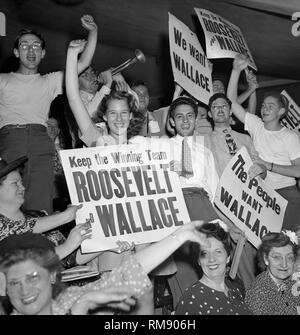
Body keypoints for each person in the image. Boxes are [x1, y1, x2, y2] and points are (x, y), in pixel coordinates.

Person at [0, 220, 209, 315]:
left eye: (33, 277)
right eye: (14, 282)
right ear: (4, 288)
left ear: (52, 276)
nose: (24, 290)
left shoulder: (70, 299)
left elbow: (131, 270)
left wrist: (179, 236)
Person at [0, 15, 98, 214]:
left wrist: (93, 31)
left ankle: (41, 244)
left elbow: (84, 62)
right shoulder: (2, 80)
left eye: (36, 46)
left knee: (40, 203)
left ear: (43, 53)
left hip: (40, 141)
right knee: (9, 202)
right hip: (11, 140)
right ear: (16, 52)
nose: (31, 49)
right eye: (25, 45)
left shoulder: (50, 81)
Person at [227, 54, 300, 232]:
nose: (265, 108)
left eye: (271, 106)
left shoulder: (290, 136)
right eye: (264, 105)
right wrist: (236, 71)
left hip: (286, 194)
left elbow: (298, 170)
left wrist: (268, 165)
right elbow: (231, 101)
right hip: (262, 194)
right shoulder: (256, 124)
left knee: (289, 241)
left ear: (281, 111)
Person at [162, 96, 222, 307]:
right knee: (182, 268)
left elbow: (213, 191)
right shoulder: (160, 149)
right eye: (179, 117)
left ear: (197, 120)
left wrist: (220, 224)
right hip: (174, 207)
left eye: (189, 116)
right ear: (172, 121)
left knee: (209, 263)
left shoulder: (205, 153)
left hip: (201, 206)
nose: (185, 121)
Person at [0, 155, 89, 262]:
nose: (23, 188)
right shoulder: (8, 228)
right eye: (15, 183)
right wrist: (66, 217)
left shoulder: (38, 216)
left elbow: (70, 259)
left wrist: (107, 243)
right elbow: (23, 266)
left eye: (21, 183)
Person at [175, 221, 251, 315]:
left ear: (228, 257)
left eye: (218, 251)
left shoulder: (234, 289)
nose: (211, 259)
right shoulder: (191, 298)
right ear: (199, 260)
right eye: (204, 253)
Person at [245, 230, 300, 315]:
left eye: (289, 258)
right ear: (266, 259)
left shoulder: (290, 282)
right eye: (277, 257)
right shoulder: (259, 293)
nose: (284, 264)